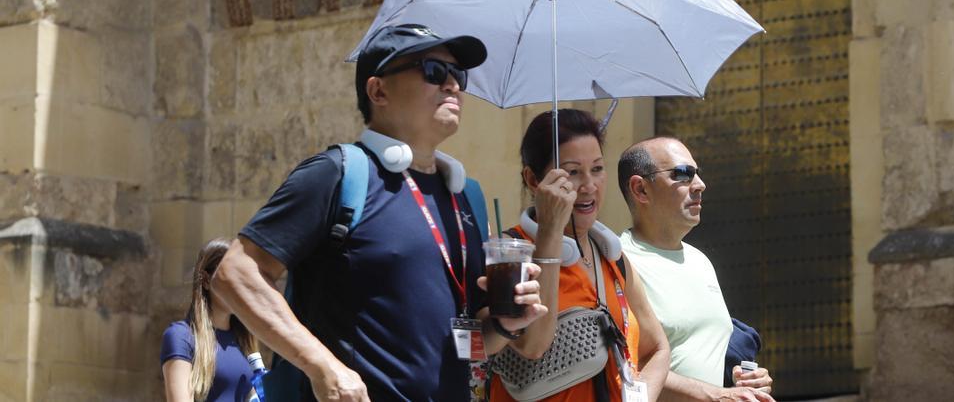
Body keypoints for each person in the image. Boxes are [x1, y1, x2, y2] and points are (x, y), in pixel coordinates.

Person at [211, 24, 547, 402]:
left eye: (458, 74)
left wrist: (502, 326)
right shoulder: (335, 173)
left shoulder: (466, 197)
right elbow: (235, 274)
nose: (452, 85)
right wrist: (323, 366)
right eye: (434, 71)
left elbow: (465, 347)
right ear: (378, 90)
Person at [488, 109, 670, 401]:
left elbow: (657, 347)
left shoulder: (613, 257)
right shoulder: (511, 253)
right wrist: (549, 231)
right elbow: (533, 346)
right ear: (534, 180)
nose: (589, 186)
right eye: (572, 172)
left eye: (597, 169)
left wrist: (640, 397)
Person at [617, 137, 775, 402]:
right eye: (682, 174)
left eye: (697, 174)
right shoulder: (619, 263)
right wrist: (717, 395)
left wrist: (744, 379)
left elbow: (703, 352)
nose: (700, 185)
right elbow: (628, 368)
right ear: (641, 189)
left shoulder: (699, 260)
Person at [161, 238, 258, 402]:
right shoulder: (181, 336)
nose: (241, 287)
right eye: (233, 276)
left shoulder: (244, 340)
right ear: (206, 280)